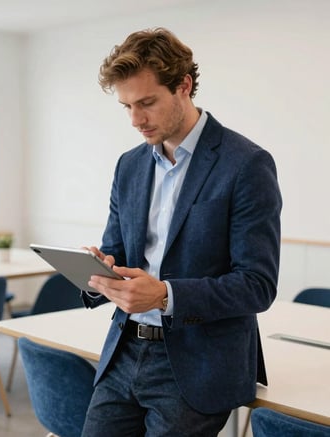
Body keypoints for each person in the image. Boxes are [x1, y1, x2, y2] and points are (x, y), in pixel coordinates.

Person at [80, 27, 282, 437]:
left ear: (184, 86)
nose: (136, 120)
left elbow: (257, 285)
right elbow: (117, 250)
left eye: (147, 103)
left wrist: (166, 295)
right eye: (127, 107)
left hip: (198, 364)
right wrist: (100, 273)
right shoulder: (129, 165)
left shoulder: (246, 165)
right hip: (124, 351)